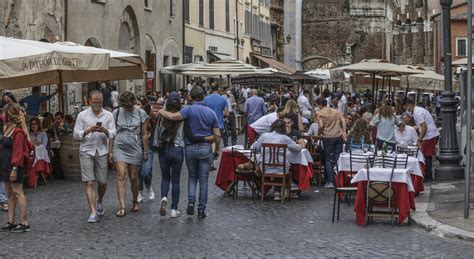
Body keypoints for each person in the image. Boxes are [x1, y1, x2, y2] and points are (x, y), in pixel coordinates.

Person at [158, 86, 221, 219]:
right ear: (203, 96)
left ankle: (191, 202)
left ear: (191, 97)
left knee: (192, 177)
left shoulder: (188, 110)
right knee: (203, 180)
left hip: (190, 148)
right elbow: (217, 134)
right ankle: (201, 209)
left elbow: (173, 117)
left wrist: (161, 111)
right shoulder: (211, 113)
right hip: (205, 148)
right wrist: (217, 148)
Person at [73, 91, 116, 223]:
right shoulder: (82, 115)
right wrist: (87, 130)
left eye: (100, 102)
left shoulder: (108, 115)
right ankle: (92, 212)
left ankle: (100, 201)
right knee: (90, 182)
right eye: (95, 101)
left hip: (101, 150)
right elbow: (75, 134)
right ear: (89, 101)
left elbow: (114, 133)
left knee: (102, 182)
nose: (97, 104)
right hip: (86, 150)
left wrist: (105, 131)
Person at [110, 91, 148, 217]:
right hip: (119, 145)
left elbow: (144, 134)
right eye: (125, 106)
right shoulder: (116, 113)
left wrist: (145, 151)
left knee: (133, 177)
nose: (128, 108)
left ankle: (135, 201)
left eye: (130, 106)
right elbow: (112, 134)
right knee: (121, 175)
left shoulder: (141, 113)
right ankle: (122, 206)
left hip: (134, 145)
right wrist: (110, 151)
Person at [251, 119, 302, 201]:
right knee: (286, 165)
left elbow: (255, 148)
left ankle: (277, 192)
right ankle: (285, 190)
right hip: (281, 168)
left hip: (265, 167)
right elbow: (297, 149)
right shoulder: (285, 138)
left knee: (277, 166)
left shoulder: (264, 136)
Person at [0, 103, 32, 232]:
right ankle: (11, 221)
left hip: (14, 166)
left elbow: (18, 151)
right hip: (4, 165)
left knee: (18, 193)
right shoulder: (7, 128)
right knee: (9, 194)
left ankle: (24, 222)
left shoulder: (18, 132)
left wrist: (15, 168)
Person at [156, 92, 185, 218]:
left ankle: (163, 198)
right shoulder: (183, 114)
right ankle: (174, 209)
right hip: (178, 148)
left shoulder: (162, 114)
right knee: (176, 181)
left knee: (165, 178)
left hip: (164, 149)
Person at [403, 98, 439, 181]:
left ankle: (427, 176)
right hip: (430, 135)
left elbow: (424, 127)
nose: (406, 110)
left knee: (426, 156)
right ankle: (427, 175)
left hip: (429, 136)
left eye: (406, 108)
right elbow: (422, 126)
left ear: (409, 106)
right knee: (426, 156)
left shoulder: (417, 112)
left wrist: (419, 140)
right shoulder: (418, 110)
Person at [315, 97, 346, 188]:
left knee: (328, 159)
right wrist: (344, 132)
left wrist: (318, 134)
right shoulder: (335, 111)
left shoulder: (319, 113)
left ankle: (330, 181)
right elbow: (343, 120)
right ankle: (338, 180)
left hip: (327, 137)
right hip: (338, 136)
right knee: (337, 158)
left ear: (320, 105)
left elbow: (320, 126)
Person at [136, 97, 155, 203]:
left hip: (149, 145)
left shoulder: (150, 116)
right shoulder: (132, 116)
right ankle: (139, 192)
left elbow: (156, 128)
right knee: (138, 171)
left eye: (139, 104)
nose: (137, 106)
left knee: (146, 170)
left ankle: (148, 186)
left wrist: (150, 133)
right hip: (136, 145)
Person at [27, 117, 51, 188]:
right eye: (32, 124)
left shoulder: (43, 134)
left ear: (38, 125)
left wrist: (36, 136)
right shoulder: (29, 134)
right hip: (30, 152)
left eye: (35, 124)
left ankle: (35, 176)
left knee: (36, 157)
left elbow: (44, 144)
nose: (33, 126)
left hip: (40, 153)